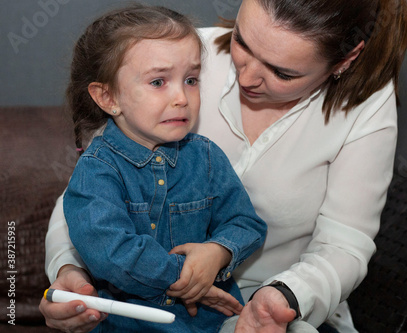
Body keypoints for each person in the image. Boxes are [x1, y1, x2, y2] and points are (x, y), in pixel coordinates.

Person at [40, 0, 407, 332]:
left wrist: (280, 295)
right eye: (243, 42)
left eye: (283, 73)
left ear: (345, 60)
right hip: (139, 307)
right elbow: (86, 197)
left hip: (277, 305)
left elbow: (343, 244)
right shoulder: (172, 50)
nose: (246, 78)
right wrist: (67, 271)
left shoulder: (366, 106)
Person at [54, 4, 267, 332]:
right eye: (158, 82)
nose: (182, 97)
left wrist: (218, 252)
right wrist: (186, 276)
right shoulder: (96, 171)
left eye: (191, 79)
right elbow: (111, 252)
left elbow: (246, 223)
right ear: (108, 97)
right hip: (129, 322)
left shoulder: (207, 157)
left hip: (208, 321)